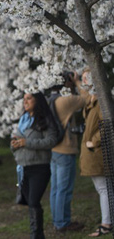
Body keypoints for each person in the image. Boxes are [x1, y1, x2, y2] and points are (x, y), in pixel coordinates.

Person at [11, 92, 58, 239]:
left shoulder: (44, 119)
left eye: (29, 98)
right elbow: (16, 143)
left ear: (38, 100)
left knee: (33, 201)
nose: (25, 101)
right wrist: (14, 145)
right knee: (30, 204)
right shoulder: (23, 120)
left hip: (39, 167)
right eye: (24, 99)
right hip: (23, 168)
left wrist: (27, 143)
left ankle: (36, 236)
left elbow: (51, 141)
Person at [48, 71, 89, 232]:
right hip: (65, 148)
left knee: (56, 188)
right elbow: (86, 98)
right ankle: (63, 223)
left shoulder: (51, 99)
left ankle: (57, 220)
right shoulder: (65, 101)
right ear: (66, 83)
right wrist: (78, 82)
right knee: (64, 188)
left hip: (53, 149)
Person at [79, 69, 112, 237]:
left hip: (98, 151)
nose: (84, 82)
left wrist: (95, 141)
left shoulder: (100, 101)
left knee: (103, 188)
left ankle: (106, 223)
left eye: (86, 78)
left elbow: (107, 123)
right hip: (92, 152)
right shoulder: (91, 99)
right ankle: (107, 221)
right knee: (103, 188)